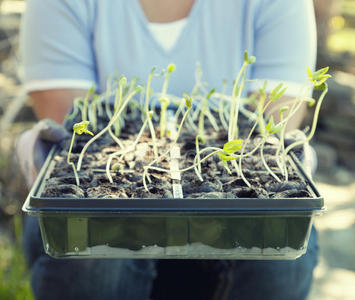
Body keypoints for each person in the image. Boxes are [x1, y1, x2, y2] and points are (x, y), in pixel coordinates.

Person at [17, 0, 319, 299]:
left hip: (220, 192)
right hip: (111, 203)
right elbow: (75, 124)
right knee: (97, 240)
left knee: (276, 244)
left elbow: (270, 126)